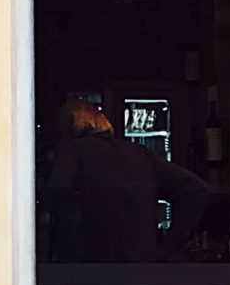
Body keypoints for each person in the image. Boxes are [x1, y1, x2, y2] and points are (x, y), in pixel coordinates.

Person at [45, 94, 216, 265]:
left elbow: (59, 191)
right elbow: (195, 189)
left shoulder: (72, 152)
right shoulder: (139, 153)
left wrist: (70, 245)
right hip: (140, 269)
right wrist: (167, 248)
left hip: (89, 270)